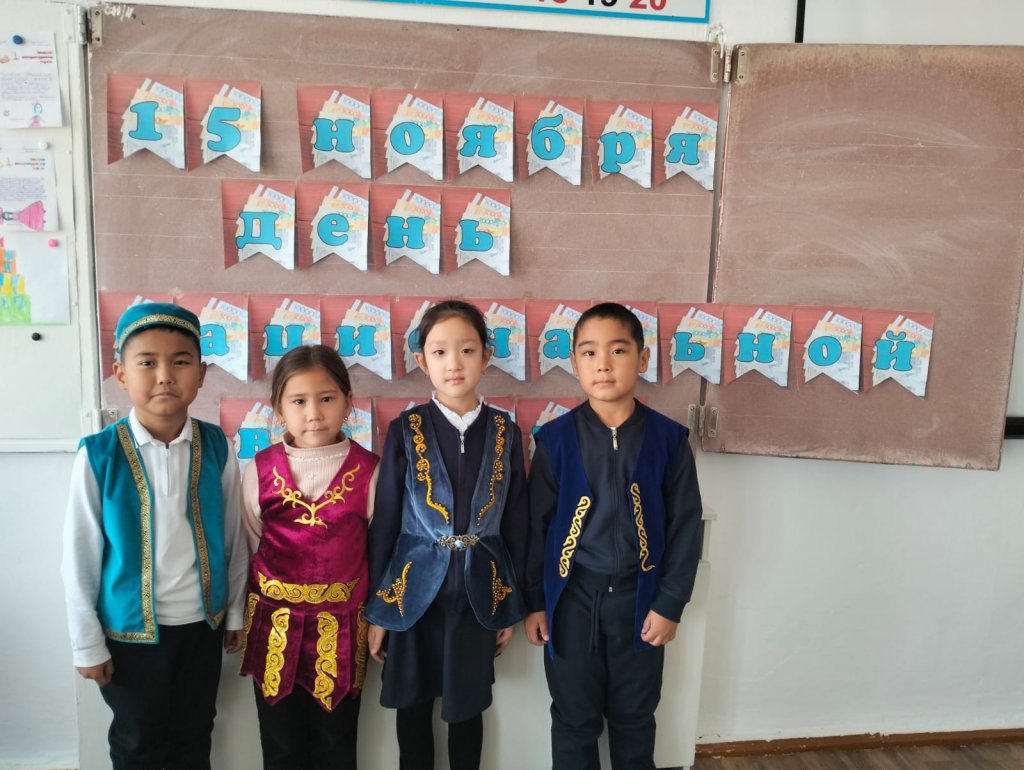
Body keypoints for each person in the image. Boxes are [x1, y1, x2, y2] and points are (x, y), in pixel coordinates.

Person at [61, 302, 249, 770]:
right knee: (137, 741)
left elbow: (234, 539)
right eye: (147, 362)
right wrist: (87, 642)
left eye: (180, 362)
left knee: (194, 735)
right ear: (121, 374)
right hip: (128, 634)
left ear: (200, 374)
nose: (165, 375)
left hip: (200, 627)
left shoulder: (217, 447)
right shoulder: (99, 455)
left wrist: (234, 613)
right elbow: (79, 558)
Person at [524, 302, 704, 770]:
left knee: (634, 718)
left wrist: (670, 604)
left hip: (640, 603)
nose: (603, 364)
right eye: (589, 352)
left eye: (618, 350)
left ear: (642, 359)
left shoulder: (669, 440)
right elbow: (536, 528)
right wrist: (536, 601)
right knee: (573, 719)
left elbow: (686, 526)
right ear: (574, 362)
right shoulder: (554, 440)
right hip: (572, 601)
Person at [365, 300, 529, 770]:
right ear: (422, 361)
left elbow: (515, 523)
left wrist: (508, 603)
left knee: (466, 714)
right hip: (411, 598)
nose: (453, 364)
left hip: (478, 597)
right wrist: (378, 610)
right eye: (439, 352)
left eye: (467, 350)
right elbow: (386, 522)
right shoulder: (405, 429)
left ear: (487, 355)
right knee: (412, 711)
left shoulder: (505, 432)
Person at [239, 344, 379, 770]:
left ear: (348, 402)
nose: (314, 413)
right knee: (281, 745)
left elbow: (378, 549)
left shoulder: (369, 470)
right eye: (299, 401)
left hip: (343, 629)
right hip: (274, 627)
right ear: (279, 408)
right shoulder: (260, 469)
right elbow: (252, 540)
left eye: (327, 398)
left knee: (337, 745)